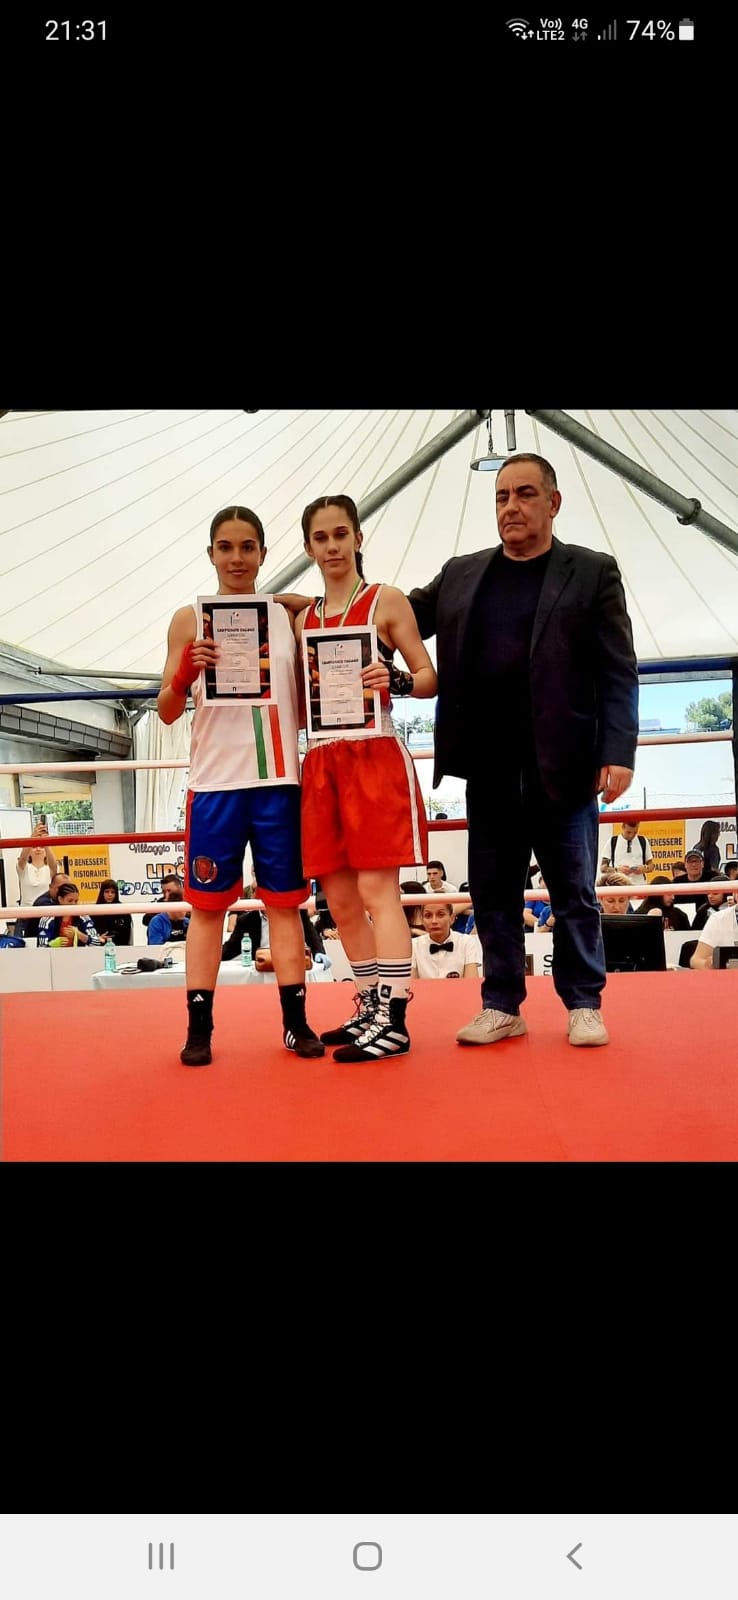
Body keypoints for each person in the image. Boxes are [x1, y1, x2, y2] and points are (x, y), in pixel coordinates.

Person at [408, 452, 639, 1049]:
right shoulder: (460, 573)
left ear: (553, 503)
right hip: (486, 765)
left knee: (575, 893)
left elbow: (618, 669)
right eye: (502, 497)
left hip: (564, 763)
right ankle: (502, 1003)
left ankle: (584, 1002)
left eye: (525, 494)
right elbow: (398, 615)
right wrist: (327, 607)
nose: (511, 507)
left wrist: (620, 750)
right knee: (491, 892)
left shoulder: (592, 572)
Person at [157, 505, 324, 1066]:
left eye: (246, 547)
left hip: (279, 779)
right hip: (215, 785)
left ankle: (296, 1022)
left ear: (262, 554)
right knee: (207, 907)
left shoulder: (285, 616)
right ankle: (198, 1027)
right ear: (211, 554)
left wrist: (300, 604)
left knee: (285, 905)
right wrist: (184, 672)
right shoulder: (188, 619)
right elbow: (164, 710)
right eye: (225, 547)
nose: (236, 558)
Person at [294, 493, 437, 1061]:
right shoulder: (304, 617)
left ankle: (396, 1020)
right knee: (339, 898)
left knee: (379, 891)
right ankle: (370, 1006)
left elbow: (429, 677)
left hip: (374, 753)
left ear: (358, 538)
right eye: (321, 538)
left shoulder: (386, 600)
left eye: (340, 534)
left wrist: (396, 680)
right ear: (308, 547)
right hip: (322, 755)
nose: (332, 546)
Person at [411, 901, 480, 979]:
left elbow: (471, 984)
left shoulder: (466, 942)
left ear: (452, 918)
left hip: (460, 991)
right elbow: (410, 986)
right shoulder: (413, 945)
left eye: (440, 915)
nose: (434, 921)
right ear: (422, 920)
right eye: (428, 916)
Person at [14, 823, 58, 937]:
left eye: (41, 847)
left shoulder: (50, 870)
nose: (38, 849)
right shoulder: (24, 868)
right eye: (34, 846)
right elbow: (22, 858)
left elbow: (54, 865)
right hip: (24, 916)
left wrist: (46, 842)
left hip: (45, 916)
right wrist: (32, 837)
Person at [689, 898, 738, 969]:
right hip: (727, 978)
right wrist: (707, 964)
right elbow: (696, 960)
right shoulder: (718, 919)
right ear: (734, 894)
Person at [607, 817, 654, 884]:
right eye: (628, 832)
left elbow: (651, 866)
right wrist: (617, 869)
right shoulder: (612, 841)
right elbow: (603, 868)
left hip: (640, 886)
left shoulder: (643, 840)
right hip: (619, 886)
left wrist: (644, 868)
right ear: (623, 827)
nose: (631, 835)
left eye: (635, 832)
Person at [91, 879, 133, 946]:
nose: (109, 895)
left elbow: (127, 935)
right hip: (98, 947)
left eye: (112, 892)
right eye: (107, 892)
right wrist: (98, 938)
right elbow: (90, 934)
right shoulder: (94, 911)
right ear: (102, 893)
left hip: (121, 947)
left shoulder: (124, 910)